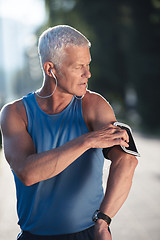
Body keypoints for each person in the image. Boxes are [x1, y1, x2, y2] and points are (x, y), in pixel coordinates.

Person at [0, 25, 138, 240]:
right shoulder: (15, 113)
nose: (88, 73)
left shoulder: (95, 106)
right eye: (78, 67)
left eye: (88, 64)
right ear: (50, 69)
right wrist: (87, 140)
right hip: (32, 236)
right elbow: (28, 173)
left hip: (87, 233)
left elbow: (127, 161)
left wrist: (104, 222)